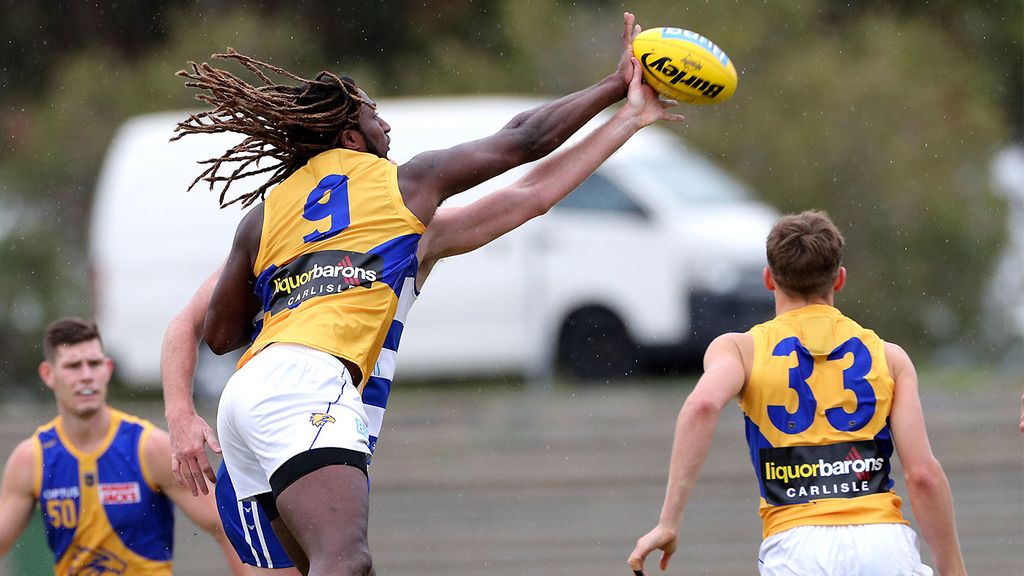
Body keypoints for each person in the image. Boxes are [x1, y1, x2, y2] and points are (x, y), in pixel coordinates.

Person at [163, 54, 682, 574]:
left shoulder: (268, 218)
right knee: (346, 563)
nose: (386, 125)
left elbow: (221, 333)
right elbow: (525, 141)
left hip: (248, 394)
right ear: (350, 137)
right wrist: (615, 85)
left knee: (320, 567)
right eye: (373, 116)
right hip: (308, 387)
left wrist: (629, 119)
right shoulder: (405, 187)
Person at [628, 211, 968, 576]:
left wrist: (669, 522)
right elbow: (922, 475)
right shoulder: (888, 357)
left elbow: (703, 405)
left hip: (796, 545)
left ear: (768, 279)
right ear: (839, 280)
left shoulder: (741, 350)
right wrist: (953, 569)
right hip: (882, 542)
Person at [0, 317, 247, 575]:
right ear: (48, 374)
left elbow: (226, 527)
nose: (86, 376)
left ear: (107, 369)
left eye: (93, 364)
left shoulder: (148, 448)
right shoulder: (32, 458)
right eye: (73, 366)